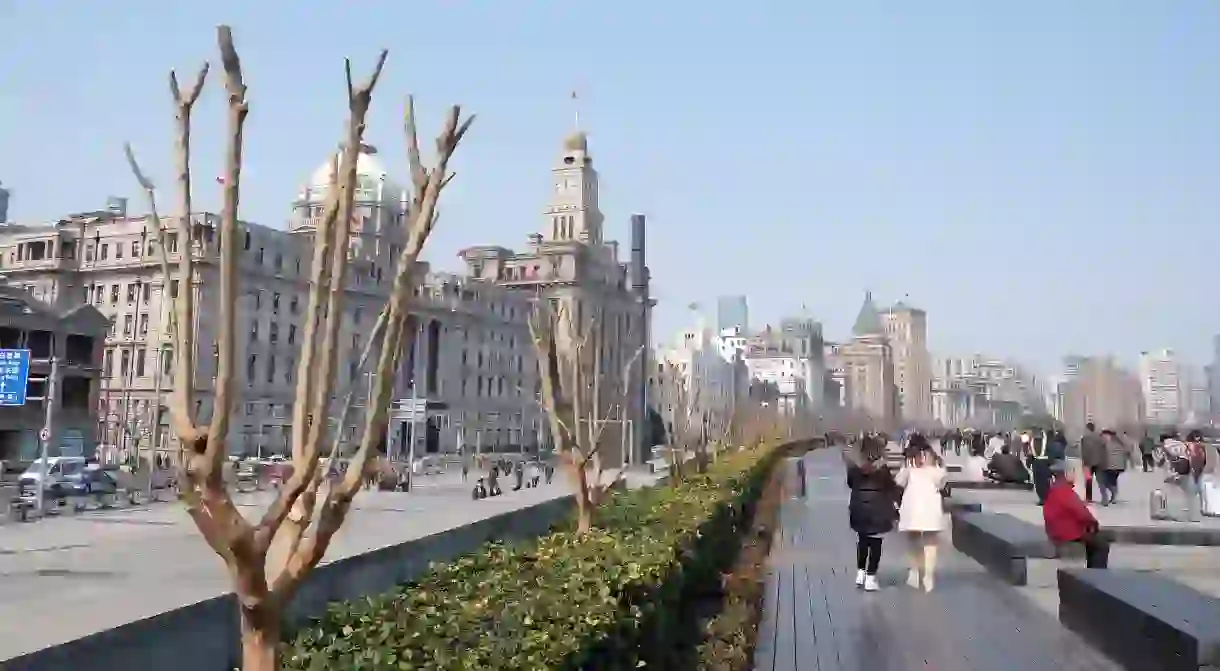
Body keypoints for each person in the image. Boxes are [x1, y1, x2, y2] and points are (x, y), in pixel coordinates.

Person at [846, 435, 901, 592]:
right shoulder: (883, 472)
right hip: (878, 512)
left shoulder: (854, 470)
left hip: (859, 511)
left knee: (863, 541)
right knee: (875, 544)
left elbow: (850, 484)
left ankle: (860, 573)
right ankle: (871, 577)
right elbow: (892, 488)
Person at [895, 434, 947, 592]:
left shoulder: (909, 462)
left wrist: (907, 467)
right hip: (931, 506)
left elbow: (899, 481)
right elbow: (942, 482)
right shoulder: (936, 462)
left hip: (913, 505)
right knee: (930, 542)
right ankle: (928, 576)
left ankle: (914, 572)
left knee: (914, 540)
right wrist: (935, 467)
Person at [1043, 461, 1110, 568]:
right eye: (1072, 472)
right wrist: (1094, 523)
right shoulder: (1065, 492)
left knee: (1094, 541)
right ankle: (1096, 574)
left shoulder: (1054, 490)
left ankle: (1091, 570)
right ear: (1066, 474)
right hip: (1069, 534)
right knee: (1101, 544)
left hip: (1057, 532)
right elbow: (1082, 514)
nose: (1074, 475)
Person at [1098, 429, 1133, 506]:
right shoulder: (1120, 442)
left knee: (1106, 481)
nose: (1103, 437)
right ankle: (1114, 496)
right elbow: (1128, 450)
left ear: (1108, 435)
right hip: (1118, 466)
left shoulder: (1108, 443)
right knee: (1112, 480)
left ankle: (1114, 494)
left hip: (1111, 466)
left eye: (1104, 435)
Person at [1080, 422, 1106, 503]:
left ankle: (1088, 498)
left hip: (1088, 463)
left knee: (1088, 480)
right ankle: (1104, 498)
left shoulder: (1084, 438)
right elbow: (1104, 448)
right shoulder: (1099, 438)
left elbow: (1083, 451)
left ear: (1087, 429)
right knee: (1100, 480)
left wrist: (1083, 462)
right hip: (1099, 462)